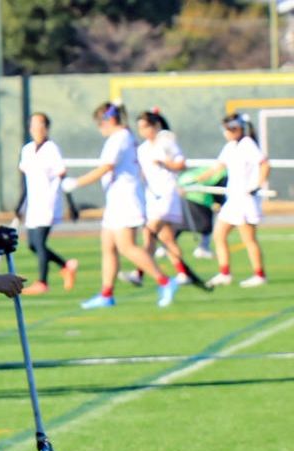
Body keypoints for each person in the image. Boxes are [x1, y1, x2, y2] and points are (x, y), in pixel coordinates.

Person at [63, 102, 179, 309]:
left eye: (100, 123)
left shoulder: (119, 138)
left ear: (109, 120)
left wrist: (76, 183)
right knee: (108, 245)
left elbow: (107, 167)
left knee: (126, 246)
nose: (100, 128)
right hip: (116, 200)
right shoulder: (123, 137)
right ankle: (106, 294)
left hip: (125, 200)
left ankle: (165, 281)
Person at [196, 113, 269, 288]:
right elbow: (218, 166)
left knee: (248, 239)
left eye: (227, 129)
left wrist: (257, 184)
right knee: (219, 235)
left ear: (236, 129)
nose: (225, 133)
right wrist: (198, 179)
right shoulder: (230, 147)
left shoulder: (247, 144)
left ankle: (260, 275)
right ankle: (225, 273)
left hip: (245, 200)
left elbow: (265, 164)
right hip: (233, 200)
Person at [131, 108, 200, 289]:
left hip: (167, 193)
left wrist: (165, 163)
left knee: (149, 231)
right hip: (152, 196)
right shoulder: (142, 149)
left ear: (155, 126)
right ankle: (183, 273)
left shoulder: (166, 143)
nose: (143, 131)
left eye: (146, 126)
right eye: (140, 128)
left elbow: (181, 164)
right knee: (167, 238)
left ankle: (139, 273)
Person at [17, 112, 77, 294]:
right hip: (33, 204)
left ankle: (42, 282)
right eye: (33, 125)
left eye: (40, 125)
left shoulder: (52, 149)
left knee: (40, 242)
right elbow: (26, 181)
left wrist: (71, 205)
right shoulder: (27, 150)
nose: (37, 129)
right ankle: (66, 265)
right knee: (32, 245)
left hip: (49, 202)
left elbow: (62, 176)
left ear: (47, 128)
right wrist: (19, 205)